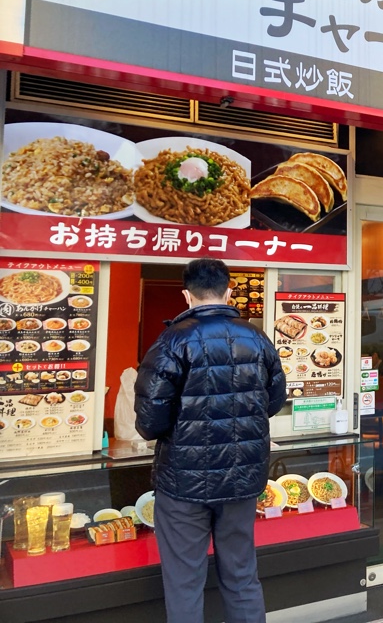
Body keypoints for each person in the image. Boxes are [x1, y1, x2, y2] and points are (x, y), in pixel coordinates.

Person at [135, 258, 286, 623]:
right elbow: (275, 400)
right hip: (241, 479)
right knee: (242, 575)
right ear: (229, 291)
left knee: (184, 581)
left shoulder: (172, 340)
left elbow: (149, 421)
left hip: (183, 482)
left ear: (186, 295)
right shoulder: (257, 337)